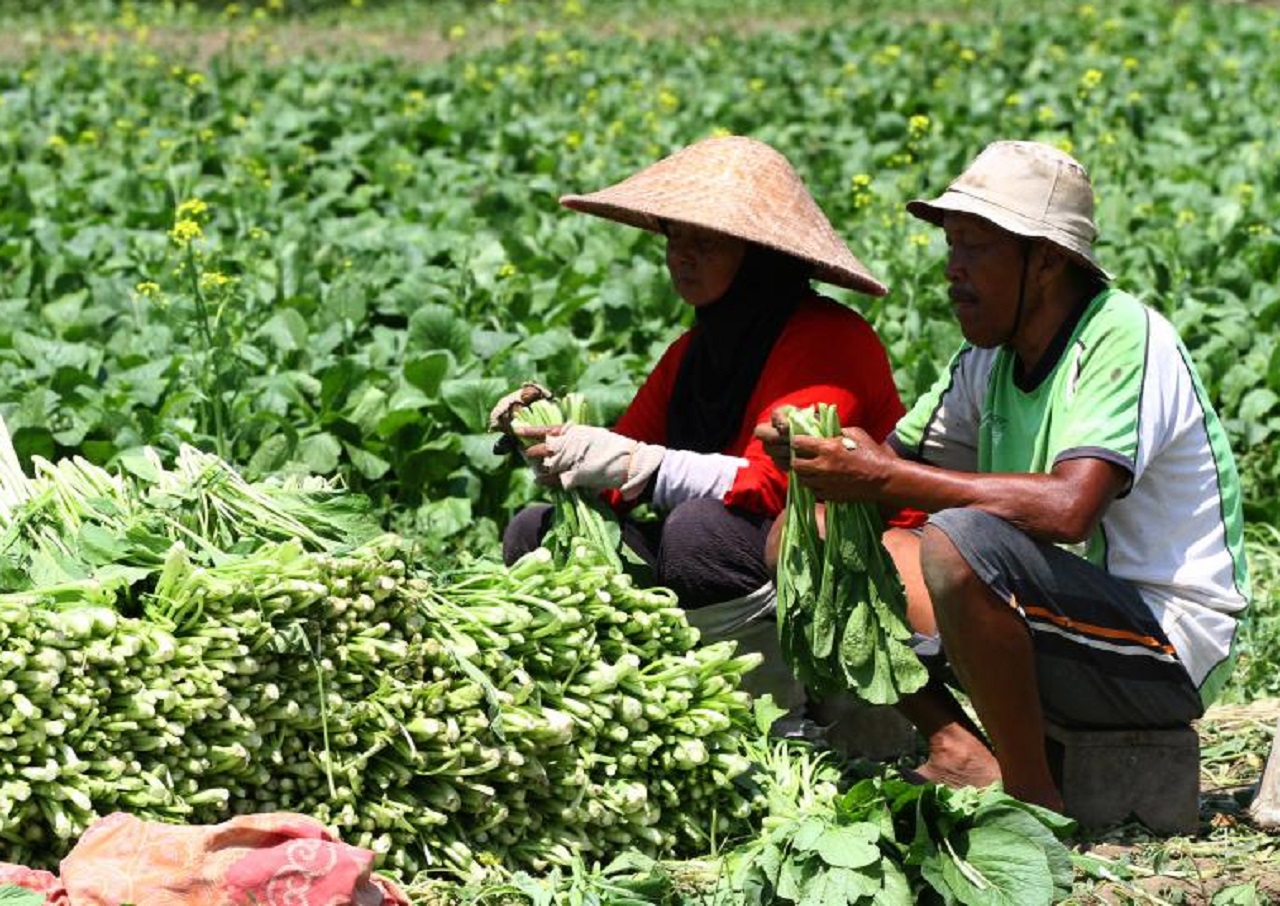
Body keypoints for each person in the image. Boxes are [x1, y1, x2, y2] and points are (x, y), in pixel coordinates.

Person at [757, 140, 1250, 810]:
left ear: (1046, 260)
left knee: (961, 540)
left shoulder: (1123, 337)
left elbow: (1071, 509)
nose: (952, 271)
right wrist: (824, 461)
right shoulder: (985, 360)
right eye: (951, 246)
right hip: (1050, 619)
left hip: (1164, 646)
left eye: (975, 248)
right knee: (805, 531)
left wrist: (877, 479)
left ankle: (1031, 799)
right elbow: (894, 467)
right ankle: (958, 749)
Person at [494, 134, 914, 712]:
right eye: (674, 236)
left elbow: (776, 484)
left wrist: (641, 464)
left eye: (707, 241)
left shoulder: (826, 337)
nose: (680, 255)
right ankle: (586, 706)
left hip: (837, 565)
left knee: (698, 534)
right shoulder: (692, 353)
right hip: (731, 544)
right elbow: (619, 474)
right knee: (533, 532)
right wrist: (552, 440)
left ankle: (767, 711)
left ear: (759, 255)